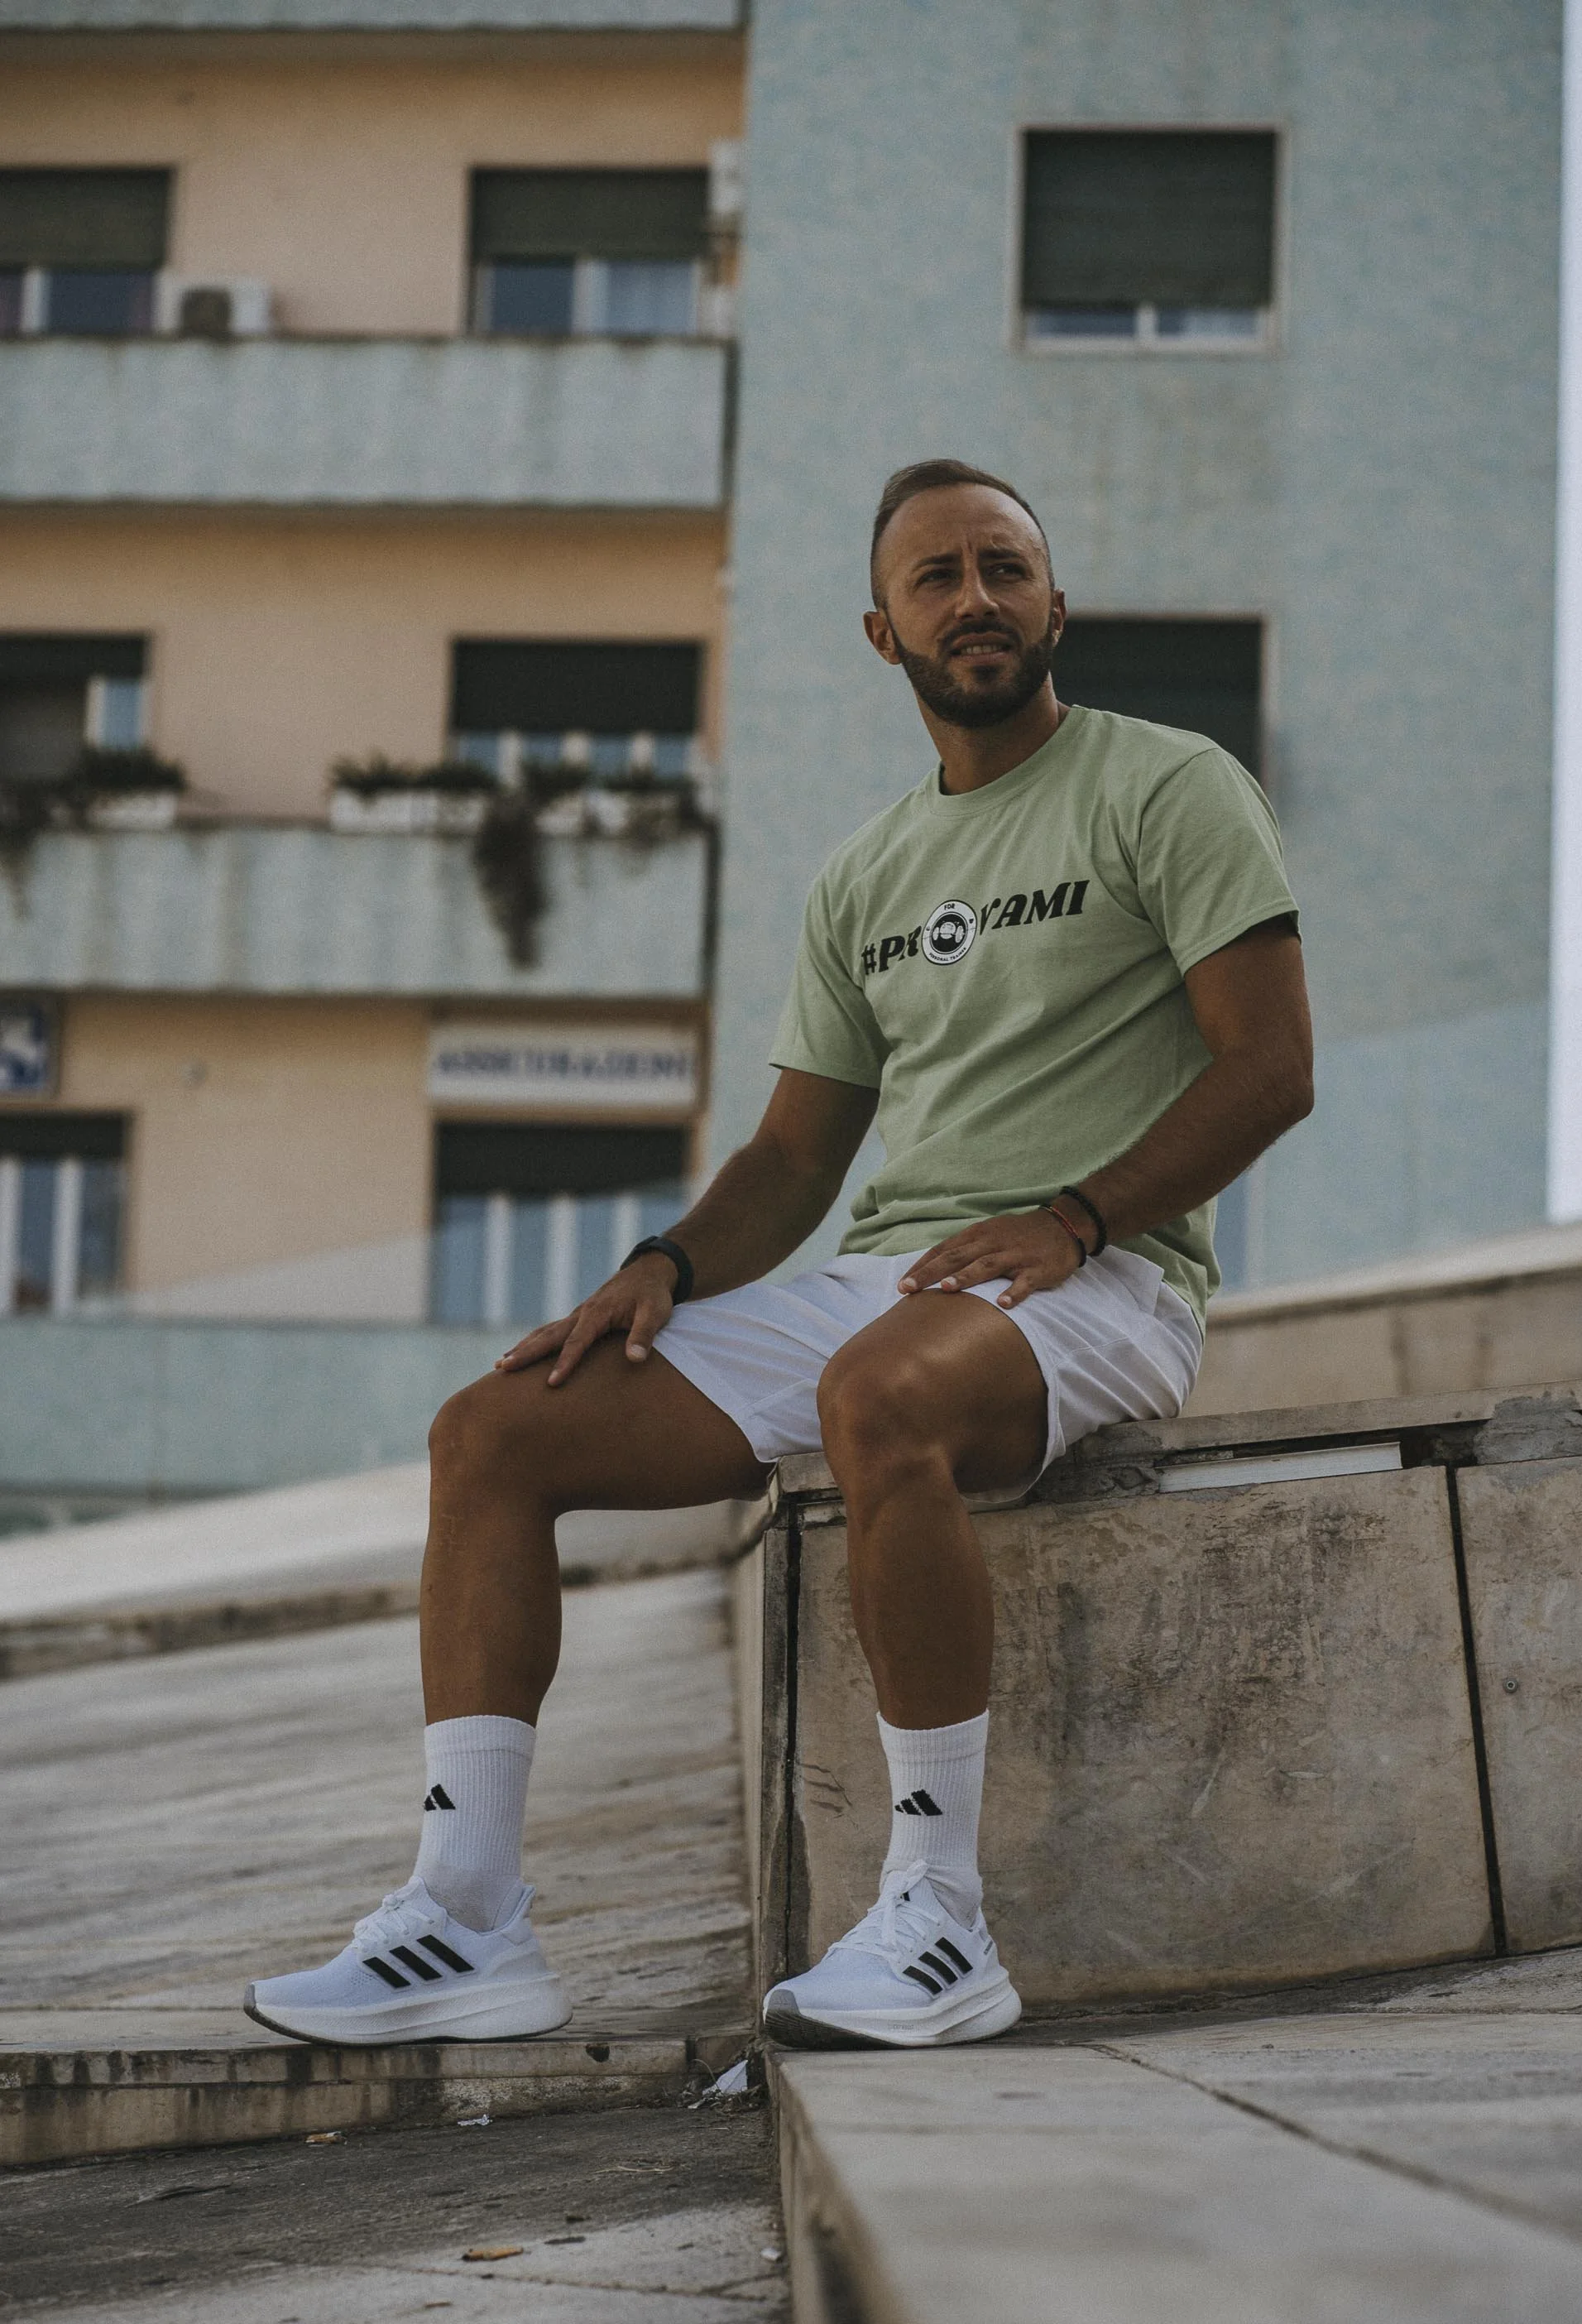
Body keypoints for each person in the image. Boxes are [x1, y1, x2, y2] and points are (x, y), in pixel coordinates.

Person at [246, 458, 1311, 2053]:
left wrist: (1079, 1214)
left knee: (876, 1390)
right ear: (883, 633)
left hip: (1108, 1283)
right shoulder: (866, 876)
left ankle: (941, 1926)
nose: (977, 598)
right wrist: (666, 1264)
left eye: (1005, 567)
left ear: (1055, 607)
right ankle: (467, 1922)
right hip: (903, 1284)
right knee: (494, 1428)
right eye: (938, 577)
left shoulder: (1167, 787)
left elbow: (1270, 1068)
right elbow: (796, 1157)